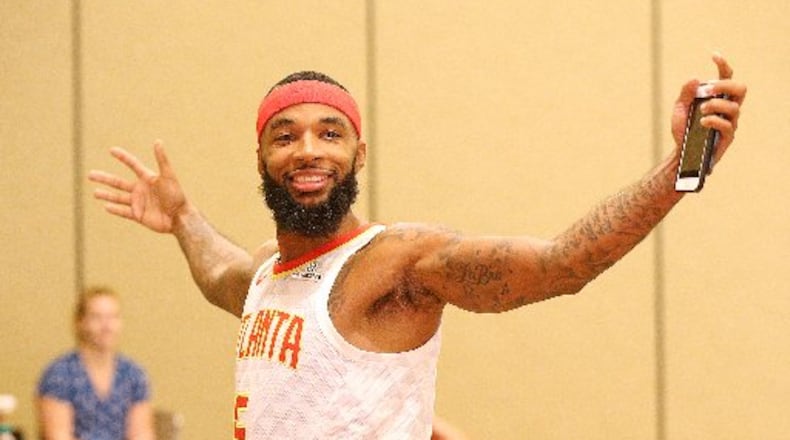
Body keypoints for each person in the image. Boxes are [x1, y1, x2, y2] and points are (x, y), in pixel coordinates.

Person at [87, 53, 746, 438]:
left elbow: (561, 265)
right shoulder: (266, 276)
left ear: (359, 153)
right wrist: (181, 218)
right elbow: (219, 273)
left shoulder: (399, 263)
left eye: (329, 133)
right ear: (262, 158)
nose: (308, 149)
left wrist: (679, 170)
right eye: (285, 136)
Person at [36, 286, 155, 440]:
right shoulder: (59, 374)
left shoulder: (133, 374)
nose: (106, 326)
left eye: (113, 317)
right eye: (97, 317)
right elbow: (58, 435)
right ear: (80, 322)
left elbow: (141, 434)